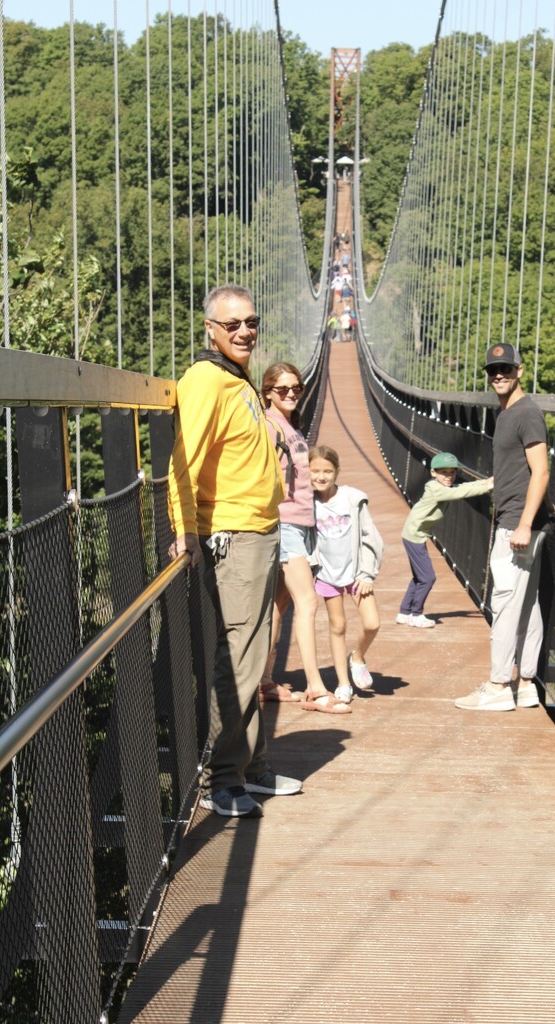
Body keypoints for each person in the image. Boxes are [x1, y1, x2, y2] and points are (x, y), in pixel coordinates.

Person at [167, 284, 303, 818]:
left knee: (253, 655)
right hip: (235, 535)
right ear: (211, 331)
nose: (245, 332)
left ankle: (252, 768)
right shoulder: (206, 379)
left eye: (252, 321)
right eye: (233, 325)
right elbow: (185, 458)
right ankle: (223, 782)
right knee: (241, 660)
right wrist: (186, 529)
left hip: (260, 530)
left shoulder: (237, 378)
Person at [455, 342, 550, 711]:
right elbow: (526, 468)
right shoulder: (508, 412)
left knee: (505, 602)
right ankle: (525, 683)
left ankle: (497, 686)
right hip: (518, 516)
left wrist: (525, 522)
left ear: (520, 371)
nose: (499, 375)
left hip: (517, 524)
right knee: (527, 604)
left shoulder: (526, 413)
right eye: (493, 370)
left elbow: (541, 470)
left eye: (506, 369)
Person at [261, 365, 351, 716]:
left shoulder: (291, 426)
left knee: (278, 607)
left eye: (296, 388)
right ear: (267, 391)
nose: (290, 394)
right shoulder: (269, 426)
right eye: (282, 389)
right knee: (308, 602)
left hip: (302, 524)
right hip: (284, 525)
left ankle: (264, 681)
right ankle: (315, 688)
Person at [309, 445, 383, 704]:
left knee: (372, 623)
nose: (321, 476)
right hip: (328, 575)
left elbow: (370, 536)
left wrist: (367, 573)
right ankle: (343, 683)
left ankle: (358, 656)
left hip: (355, 573)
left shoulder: (352, 499)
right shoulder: (306, 503)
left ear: (337, 472)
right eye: (315, 470)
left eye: (327, 471)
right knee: (337, 626)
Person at [398, 452, 494, 628]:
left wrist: (487, 482)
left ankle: (404, 612)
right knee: (428, 578)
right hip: (414, 536)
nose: (449, 476)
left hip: (414, 534)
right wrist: (488, 486)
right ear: (433, 473)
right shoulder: (435, 488)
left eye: (452, 472)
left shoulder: (442, 486)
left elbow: (463, 486)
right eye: (444, 472)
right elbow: (460, 492)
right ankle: (416, 614)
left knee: (420, 576)